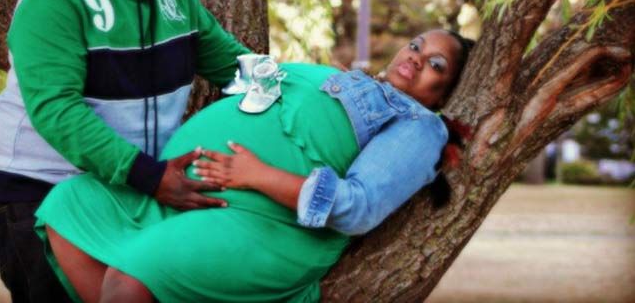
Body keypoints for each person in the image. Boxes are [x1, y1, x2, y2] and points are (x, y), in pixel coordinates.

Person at [34, 29, 475, 303]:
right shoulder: (342, 76)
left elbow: (358, 207)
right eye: (417, 44)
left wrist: (254, 175)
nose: (416, 56)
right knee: (70, 206)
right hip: (186, 192)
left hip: (265, 222)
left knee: (130, 280)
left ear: (446, 93)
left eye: (436, 63)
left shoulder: (420, 126)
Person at [0, 0, 250, 303]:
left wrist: (321, 90)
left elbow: (232, 64)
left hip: (128, 187)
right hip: (41, 191)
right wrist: (150, 176)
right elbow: (58, 111)